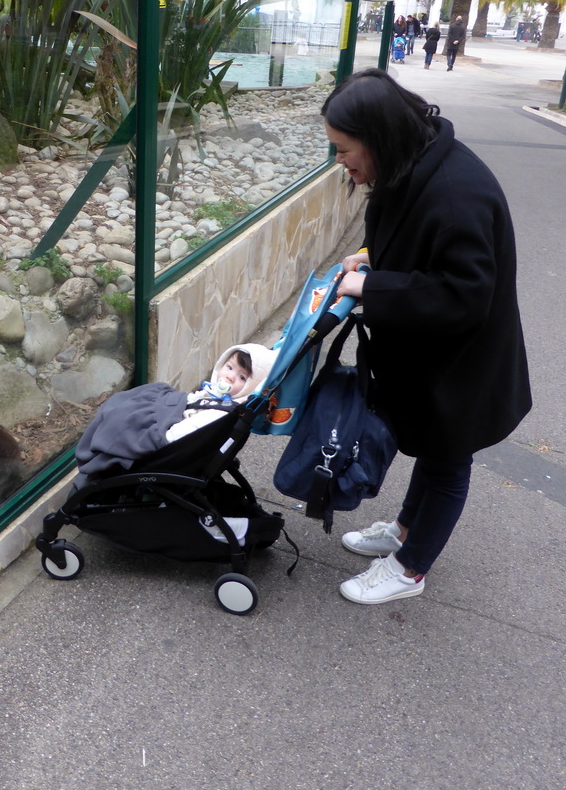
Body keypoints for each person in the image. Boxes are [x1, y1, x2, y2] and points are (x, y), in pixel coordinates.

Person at [321, 68, 531, 605]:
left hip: (464, 360)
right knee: (435, 450)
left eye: (344, 149)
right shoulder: (414, 164)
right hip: (436, 353)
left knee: (447, 458)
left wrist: (373, 286)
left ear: (379, 136)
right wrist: (372, 261)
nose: (340, 161)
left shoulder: (456, 193)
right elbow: (421, 247)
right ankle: (404, 532)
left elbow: (461, 294)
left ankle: (411, 568)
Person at [73, 343, 276, 483]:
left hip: (169, 436)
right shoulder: (218, 399)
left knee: (122, 414)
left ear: (252, 386)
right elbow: (192, 400)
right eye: (229, 367)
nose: (230, 377)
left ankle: (97, 450)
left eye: (241, 377)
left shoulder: (221, 413)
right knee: (133, 399)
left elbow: (176, 436)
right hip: (177, 412)